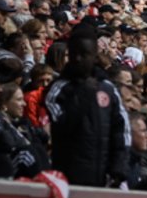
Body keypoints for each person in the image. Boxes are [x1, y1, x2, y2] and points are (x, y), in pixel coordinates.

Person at [43, 37, 131, 188]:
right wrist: (84, 94)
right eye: (74, 54)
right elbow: (61, 126)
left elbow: (122, 130)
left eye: (84, 54)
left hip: (103, 178)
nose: (78, 58)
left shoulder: (108, 88)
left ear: (94, 56)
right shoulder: (58, 89)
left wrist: (119, 168)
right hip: (68, 178)